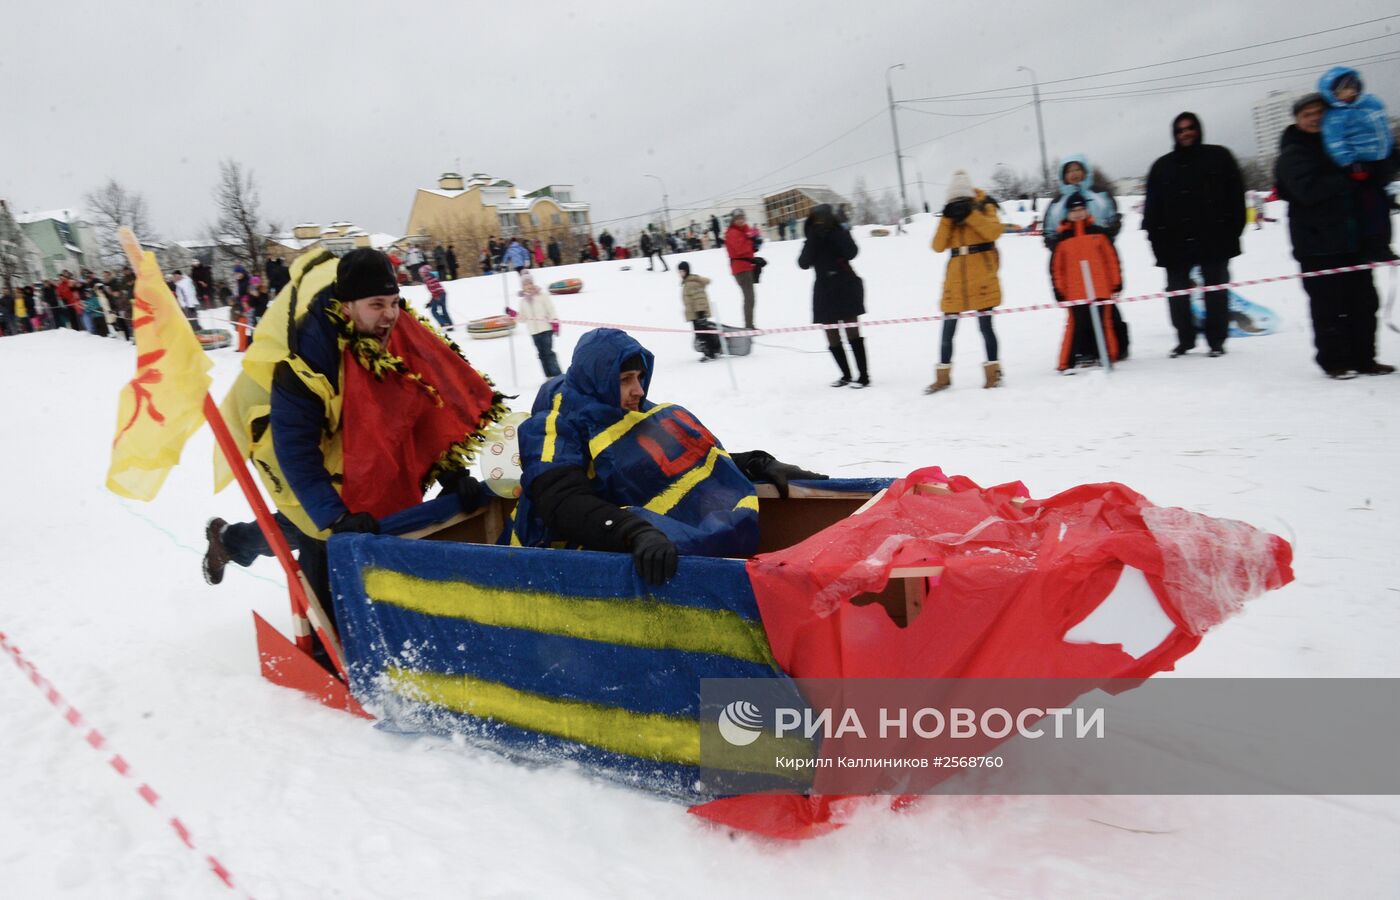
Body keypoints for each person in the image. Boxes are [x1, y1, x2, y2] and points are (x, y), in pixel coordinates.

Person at [203, 249, 504, 600]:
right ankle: (323, 636)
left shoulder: (400, 333)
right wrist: (334, 518)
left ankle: (230, 539)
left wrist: (451, 473)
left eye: (394, 302)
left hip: (365, 449)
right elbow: (296, 451)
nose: (390, 314)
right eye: (377, 304)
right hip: (299, 451)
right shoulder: (308, 360)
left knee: (346, 518)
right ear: (347, 306)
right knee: (316, 532)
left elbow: (421, 408)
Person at [505, 328, 826, 584]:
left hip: (624, 545)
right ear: (599, 381)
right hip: (553, 567)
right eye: (625, 380)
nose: (639, 390)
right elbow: (561, 501)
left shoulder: (628, 411)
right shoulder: (552, 427)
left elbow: (678, 460)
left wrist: (757, 464)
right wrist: (633, 532)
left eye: (639, 378)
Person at [1275, 93, 1395, 379]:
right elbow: (1308, 191)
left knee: (1364, 304)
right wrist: (1349, 177)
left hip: (1355, 242)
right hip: (1317, 245)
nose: (1315, 118)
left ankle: (1365, 358)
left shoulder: (1346, 144)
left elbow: (1380, 173)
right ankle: (1335, 362)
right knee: (1328, 308)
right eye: (1307, 114)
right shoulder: (1293, 152)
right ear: (1297, 120)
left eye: (1320, 112)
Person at [1143, 112, 1245, 358]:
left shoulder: (1219, 157)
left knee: (1216, 292)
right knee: (1177, 294)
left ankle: (1216, 340)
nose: (1185, 133)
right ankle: (1184, 339)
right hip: (1174, 243)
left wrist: (1232, 231)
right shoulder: (1162, 166)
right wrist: (1157, 240)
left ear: (1198, 129)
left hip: (1214, 239)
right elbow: (1152, 210)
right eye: (1179, 130)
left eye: (1189, 128)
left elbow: (1236, 198)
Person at [926, 171, 1004, 393]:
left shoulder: (984, 206)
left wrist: (970, 214)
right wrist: (947, 219)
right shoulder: (949, 216)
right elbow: (937, 246)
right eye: (954, 201)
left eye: (961, 201)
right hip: (956, 281)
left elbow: (993, 232)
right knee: (947, 330)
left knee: (986, 327)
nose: (958, 204)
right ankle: (943, 377)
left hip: (981, 277)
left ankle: (993, 372)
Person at [1318, 66, 1396, 261]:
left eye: (1351, 87)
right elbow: (1335, 143)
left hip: (1382, 160)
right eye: (1341, 90)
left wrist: (1391, 150)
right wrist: (1350, 162)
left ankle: (1383, 244)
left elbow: (1383, 129)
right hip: (1360, 166)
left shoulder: (1372, 103)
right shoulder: (1335, 116)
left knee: (1383, 206)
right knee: (1371, 207)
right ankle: (1374, 247)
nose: (1348, 93)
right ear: (1332, 94)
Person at [1050, 193, 1128, 370]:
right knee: (1076, 326)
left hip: (1101, 289)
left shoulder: (1098, 233)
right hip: (1075, 293)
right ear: (1067, 214)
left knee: (1104, 324)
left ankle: (1108, 356)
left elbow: (1111, 259)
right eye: (1073, 210)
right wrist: (1059, 290)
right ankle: (1065, 363)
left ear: (1087, 210)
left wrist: (1116, 282)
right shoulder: (1062, 240)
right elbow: (1057, 269)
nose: (1078, 213)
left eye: (1081, 209)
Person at [798, 204, 868, 387]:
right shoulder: (812, 236)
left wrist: (836, 232)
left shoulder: (839, 232)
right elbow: (803, 263)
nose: (821, 223)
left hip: (844, 285)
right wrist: (814, 237)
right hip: (824, 290)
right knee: (831, 334)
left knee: (852, 331)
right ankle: (845, 375)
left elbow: (852, 252)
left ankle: (863, 376)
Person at [1042, 155, 1119, 246]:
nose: (1073, 174)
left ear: (1085, 171)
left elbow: (1112, 219)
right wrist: (1055, 246)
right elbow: (1049, 231)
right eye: (1069, 171)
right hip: (1070, 254)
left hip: (1099, 252)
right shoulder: (1057, 203)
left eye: (1077, 170)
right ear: (1063, 176)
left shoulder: (1100, 195)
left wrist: (1110, 233)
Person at [511, 270, 562, 377]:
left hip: (546, 329)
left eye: (530, 283)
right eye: (525, 284)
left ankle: (557, 375)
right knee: (541, 354)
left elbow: (550, 309)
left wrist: (555, 322)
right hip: (534, 332)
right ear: (522, 287)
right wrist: (513, 314)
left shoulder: (542, 296)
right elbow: (523, 319)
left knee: (548, 353)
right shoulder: (523, 301)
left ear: (533, 283)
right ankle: (548, 376)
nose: (528, 286)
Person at [725, 209, 762, 330]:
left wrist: (755, 242)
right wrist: (752, 243)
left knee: (750, 297)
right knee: (749, 297)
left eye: (742, 218)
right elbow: (740, 249)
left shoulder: (744, 229)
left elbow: (751, 238)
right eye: (738, 219)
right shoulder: (732, 233)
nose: (740, 220)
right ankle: (749, 326)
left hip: (747, 266)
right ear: (733, 220)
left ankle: (749, 324)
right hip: (740, 268)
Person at [678, 261, 721, 361]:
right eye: (679, 271)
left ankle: (711, 352)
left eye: (682, 271)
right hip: (695, 314)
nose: (680, 274)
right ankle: (711, 351)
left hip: (698, 314)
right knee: (700, 334)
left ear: (687, 271)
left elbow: (699, 298)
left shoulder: (691, 283)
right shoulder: (688, 283)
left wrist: (700, 312)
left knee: (703, 333)